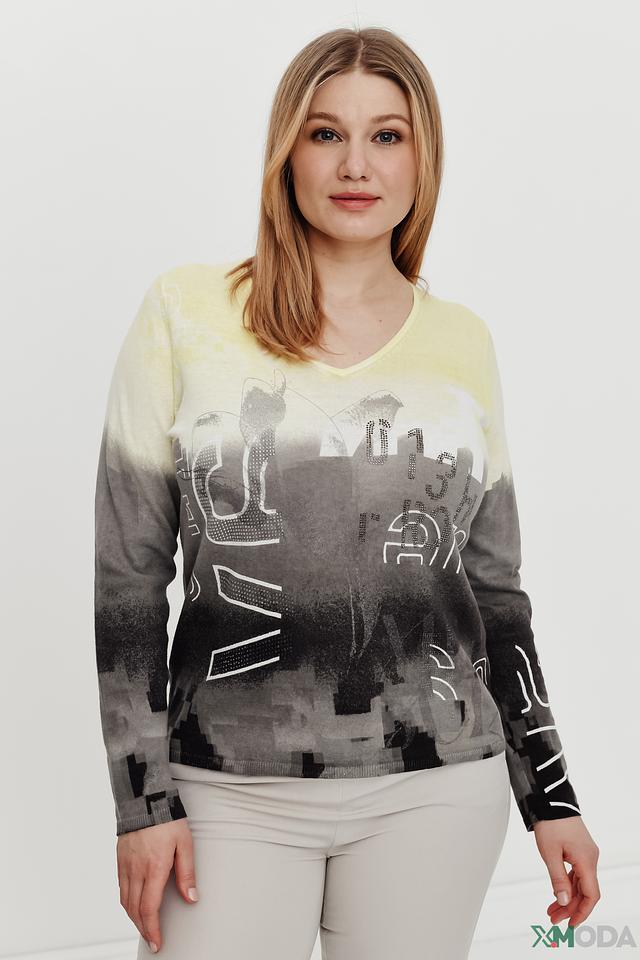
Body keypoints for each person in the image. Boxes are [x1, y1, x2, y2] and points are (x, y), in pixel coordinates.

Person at [93, 26, 600, 960]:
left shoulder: (463, 344)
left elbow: (496, 596)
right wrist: (141, 803)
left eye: (387, 135)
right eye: (326, 133)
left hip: (438, 788)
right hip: (226, 789)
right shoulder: (186, 314)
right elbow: (127, 582)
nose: (356, 164)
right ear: (287, 152)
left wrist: (552, 797)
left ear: (422, 158)